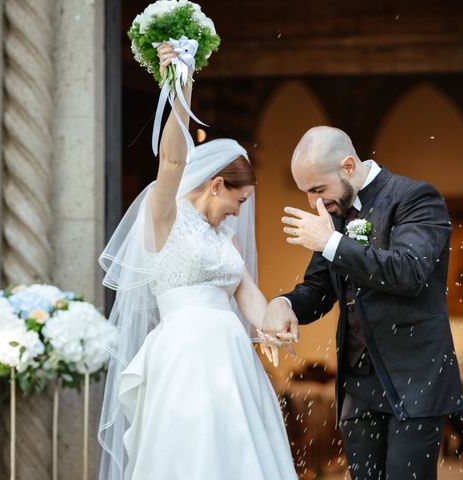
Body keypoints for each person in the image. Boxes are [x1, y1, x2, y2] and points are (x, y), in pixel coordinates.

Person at [97, 44, 297, 480]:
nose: (240, 213)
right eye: (238, 201)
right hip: (184, 355)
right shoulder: (164, 214)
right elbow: (172, 159)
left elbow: (249, 296)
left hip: (233, 361)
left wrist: (274, 325)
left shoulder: (225, 237)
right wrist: (180, 85)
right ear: (217, 184)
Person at [262, 126, 463, 479]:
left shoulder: (415, 198)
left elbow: (410, 270)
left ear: (348, 165)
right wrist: (284, 304)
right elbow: (318, 289)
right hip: (358, 388)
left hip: (413, 380)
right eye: (307, 193)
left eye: (318, 189)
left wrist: (332, 243)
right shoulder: (335, 214)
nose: (314, 203)